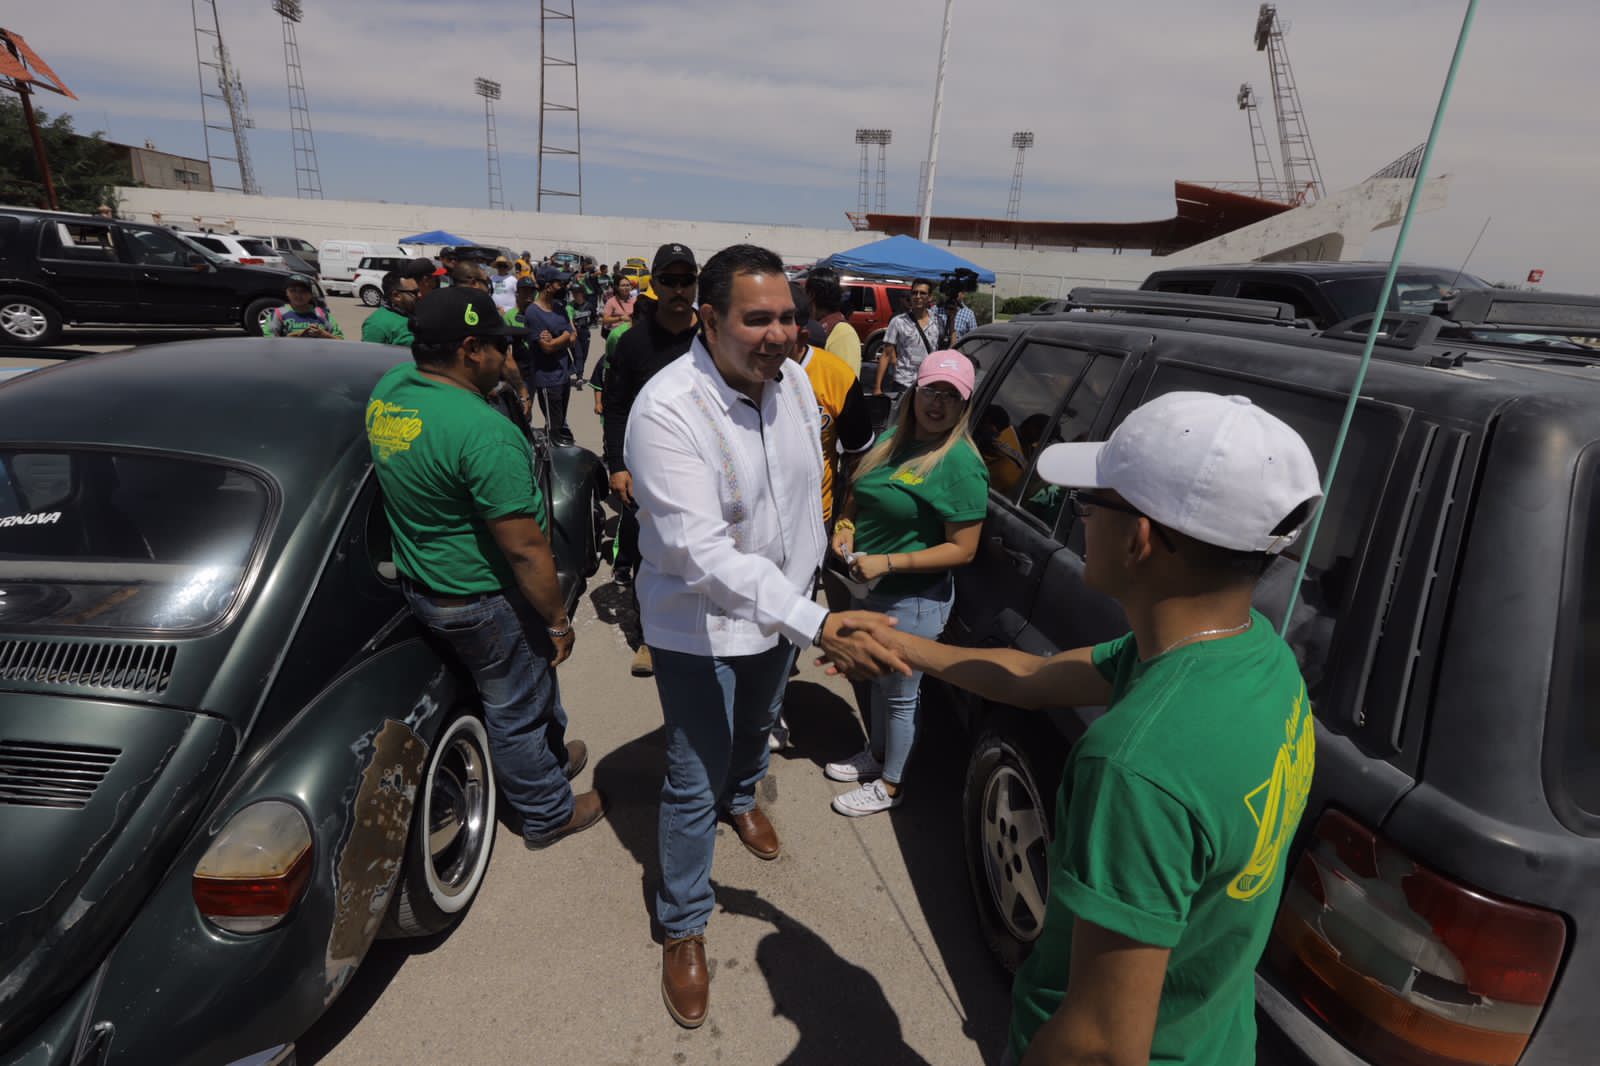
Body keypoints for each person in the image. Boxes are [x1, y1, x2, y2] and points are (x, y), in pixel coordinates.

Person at [834, 391, 1322, 1066]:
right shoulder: (1255, 654)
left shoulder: (1133, 765)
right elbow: (1034, 677)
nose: (1078, 516)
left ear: (1140, 538)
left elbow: (1099, 1045)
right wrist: (900, 646)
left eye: (1090, 504)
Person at [624, 243, 907, 1030]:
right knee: (692, 776)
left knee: (757, 727)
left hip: (781, 613)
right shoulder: (668, 410)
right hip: (699, 625)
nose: (780, 334)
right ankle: (684, 922)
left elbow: (806, 497)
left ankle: (744, 798)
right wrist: (819, 621)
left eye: (788, 316)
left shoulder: (794, 384)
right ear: (709, 319)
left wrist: (815, 583)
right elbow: (701, 554)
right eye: (758, 319)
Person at [365, 286, 606, 849]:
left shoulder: (392, 390)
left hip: (427, 584)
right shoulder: (484, 433)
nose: (510, 356)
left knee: (529, 690)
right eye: (501, 346)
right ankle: (547, 812)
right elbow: (525, 549)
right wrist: (557, 621)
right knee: (516, 709)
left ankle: (547, 764)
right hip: (484, 597)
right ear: (471, 349)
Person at [825, 351, 988, 814]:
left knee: (900, 694)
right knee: (876, 679)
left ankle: (891, 785)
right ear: (915, 391)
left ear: (964, 405)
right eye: (931, 390)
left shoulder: (959, 463)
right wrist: (845, 525)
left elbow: (964, 549)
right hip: (869, 588)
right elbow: (859, 494)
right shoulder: (893, 439)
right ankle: (877, 756)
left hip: (914, 599)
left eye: (950, 396)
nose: (937, 403)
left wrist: (889, 563)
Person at [768, 281, 876, 751]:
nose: (774, 335)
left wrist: (847, 518)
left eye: (786, 323)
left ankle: (770, 709)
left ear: (803, 327)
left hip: (812, 522)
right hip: (751, 524)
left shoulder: (834, 375)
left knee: (789, 623)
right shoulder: (743, 369)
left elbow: (859, 454)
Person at [603, 242, 701, 682]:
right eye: (669, 280)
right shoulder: (633, 342)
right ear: (654, 285)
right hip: (650, 470)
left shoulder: (714, 337)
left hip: (705, 468)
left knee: (703, 549)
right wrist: (617, 465)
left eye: (686, 280)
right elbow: (616, 407)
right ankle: (649, 636)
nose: (679, 289)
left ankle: (700, 632)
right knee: (653, 552)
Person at [523, 264, 579, 444]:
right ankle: (553, 454)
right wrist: (564, 337)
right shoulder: (533, 313)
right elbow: (547, 348)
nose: (563, 286)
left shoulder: (559, 307)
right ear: (547, 286)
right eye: (559, 283)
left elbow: (573, 336)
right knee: (554, 425)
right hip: (547, 379)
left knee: (560, 421)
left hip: (563, 375)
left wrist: (558, 339)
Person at [873, 279, 937, 397]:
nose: (918, 296)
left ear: (930, 297)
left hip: (928, 383)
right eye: (914, 293)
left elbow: (948, 349)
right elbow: (886, 354)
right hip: (903, 382)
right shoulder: (898, 321)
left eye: (922, 293)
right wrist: (877, 387)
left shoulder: (938, 322)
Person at [805, 268, 861, 376]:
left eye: (803, 291)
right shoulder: (814, 324)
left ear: (811, 294)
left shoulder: (843, 332)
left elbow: (845, 381)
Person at [263, 274, 343, 338]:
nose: (298, 295)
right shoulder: (278, 314)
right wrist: (292, 337)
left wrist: (323, 334)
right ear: (287, 293)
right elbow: (270, 342)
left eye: (303, 291)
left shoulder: (322, 314)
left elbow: (339, 339)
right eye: (293, 291)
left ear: (311, 294)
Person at [361, 269, 419, 346]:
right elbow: (369, 353)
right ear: (396, 295)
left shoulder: (417, 310)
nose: (420, 295)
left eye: (419, 290)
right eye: (414, 292)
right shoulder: (377, 325)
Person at [602, 275, 637, 340]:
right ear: (617, 287)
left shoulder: (635, 300)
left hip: (632, 335)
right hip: (617, 336)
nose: (626, 287)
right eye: (623, 285)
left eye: (628, 285)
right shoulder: (611, 302)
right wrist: (620, 318)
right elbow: (605, 320)